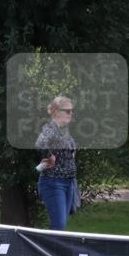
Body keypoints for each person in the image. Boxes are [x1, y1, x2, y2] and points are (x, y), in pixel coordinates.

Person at [35, 96, 78, 230]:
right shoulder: (50, 128)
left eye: (72, 111)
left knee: (61, 227)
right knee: (59, 226)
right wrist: (50, 156)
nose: (71, 113)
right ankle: (44, 250)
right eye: (68, 111)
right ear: (57, 112)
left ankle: (48, 250)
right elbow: (40, 144)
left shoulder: (64, 130)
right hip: (53, 183)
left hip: (68, 182)